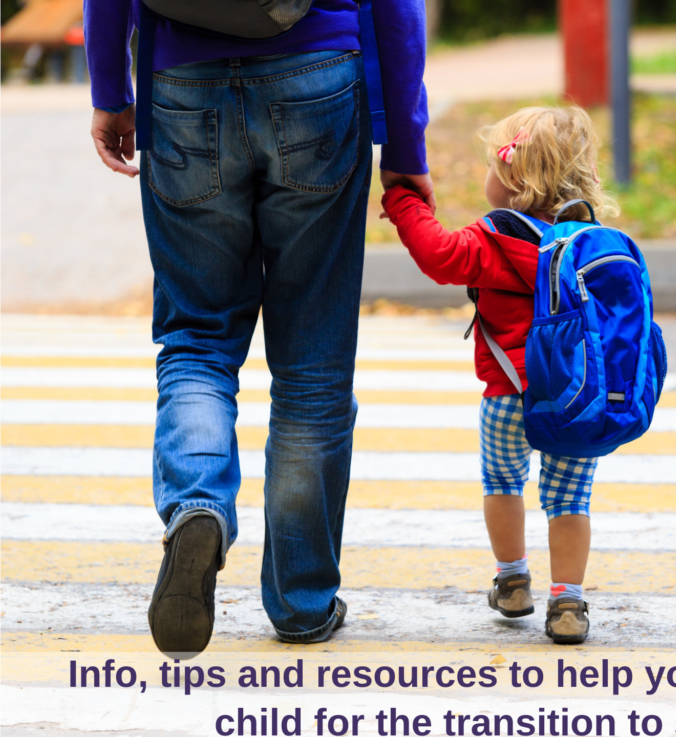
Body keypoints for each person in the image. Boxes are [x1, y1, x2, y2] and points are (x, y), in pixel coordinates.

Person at [84, 0, 432, 655]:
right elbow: (396, 8)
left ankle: (197, 505)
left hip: (182, 85)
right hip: (319, 78)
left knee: (196, 337)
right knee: (313, 362)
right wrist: (404, 141)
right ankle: (301, 601)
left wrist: (110, 87)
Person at [380, 106, 618, 644]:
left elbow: (439, 255)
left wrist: (403, 201)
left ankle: (512, 579)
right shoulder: (591, 245)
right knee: (570, 501)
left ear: (511, 178)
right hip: (578, 400)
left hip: (508, 396)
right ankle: (568, 601)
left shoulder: (499, 238)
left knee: (503, 483)